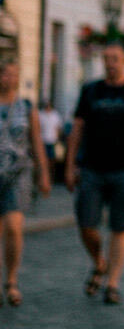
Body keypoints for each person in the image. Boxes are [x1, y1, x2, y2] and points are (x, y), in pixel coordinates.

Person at [65, 42, 124, 305]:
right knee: (86, 225)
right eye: (106, 58)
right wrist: (70, 165)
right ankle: (99, 262)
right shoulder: (91, 91)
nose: (110, 63)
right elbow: (77, 129)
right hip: (92, 168)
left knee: (120, 227)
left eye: (115, 58)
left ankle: (112, 283)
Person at [0, 57, 51, 305]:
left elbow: (37, 141)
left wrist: (44, 173)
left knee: (13, 226)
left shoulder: (27, 107)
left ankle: (11, 280)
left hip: (18, 173)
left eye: (13, 74)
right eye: (5, 74)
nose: (9, 79)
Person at [37, 101, 62, 181]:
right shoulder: (40, 114)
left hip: (52, 141)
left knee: (52, 160)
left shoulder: (55, 115)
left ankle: (52, 177)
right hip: (43, 140)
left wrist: (58, 139)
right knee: (43, 160)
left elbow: (58, 127)